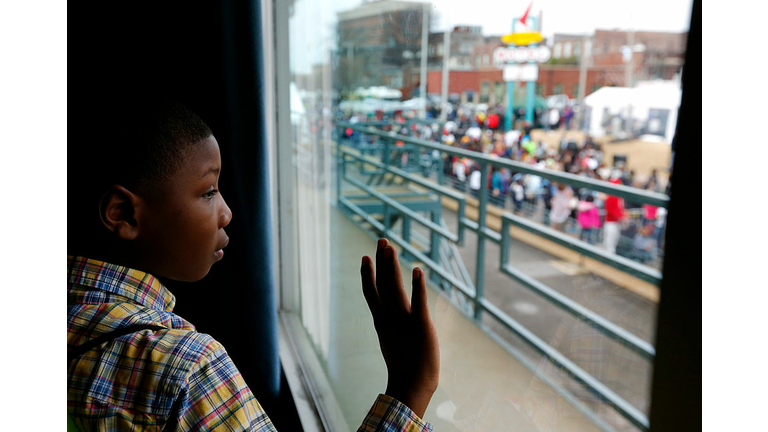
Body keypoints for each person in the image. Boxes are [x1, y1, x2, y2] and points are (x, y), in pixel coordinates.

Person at [68, 96, 439, 431]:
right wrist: (410, 387)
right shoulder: (189, 371)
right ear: (123, 215)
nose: (227, 213)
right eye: (209, 192)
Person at [602, 177, 627, 254]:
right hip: (611, 223)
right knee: (609, 242)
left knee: (614, 241)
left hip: (616, 223)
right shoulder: (611, 197)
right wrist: (621, 217)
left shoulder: (618, 197)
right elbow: (611, 210)